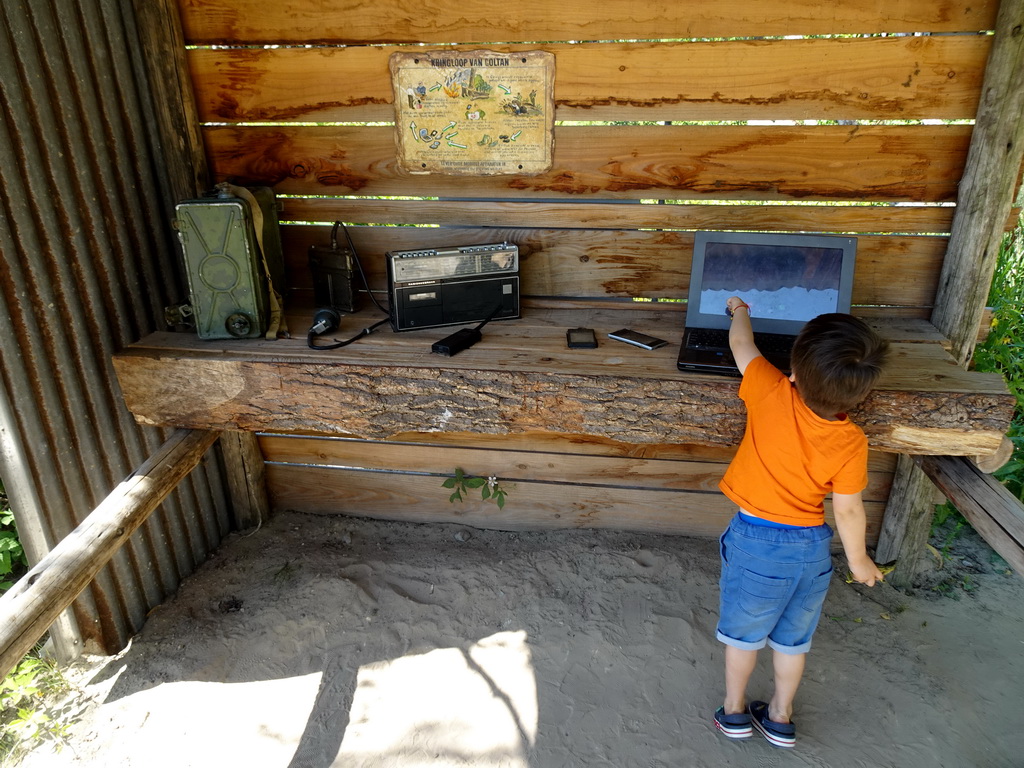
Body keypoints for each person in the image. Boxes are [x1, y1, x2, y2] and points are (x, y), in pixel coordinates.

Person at [712, 296, 889, 749]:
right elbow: (847, 509)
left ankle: (734, 712)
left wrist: (740, 309)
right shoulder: (852, 440)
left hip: (756, 541)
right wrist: (859, 562)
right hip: (811, 551)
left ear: (793, 368)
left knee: (743, 637)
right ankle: (780, 716)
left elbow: (741, 344)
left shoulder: (768, 390)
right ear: (861, 389)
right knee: (793, 642)